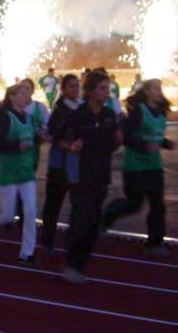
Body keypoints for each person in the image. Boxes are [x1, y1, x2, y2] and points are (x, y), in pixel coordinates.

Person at [59, 71, 122, 283]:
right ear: (91, 91)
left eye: (108, 88)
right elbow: (59, 137)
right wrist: (71, 145)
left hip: (101, 176)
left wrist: (118, 139)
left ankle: (78, 260)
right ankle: (73, 264)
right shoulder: (77, 116)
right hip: (80, 176)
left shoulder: (109, 115)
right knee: (84, 220)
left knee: (92, 222)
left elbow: (111, 145)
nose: (107, 92)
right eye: (103, 88)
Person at [102, 79, 175, 257]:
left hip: (154, 166)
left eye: (160, 88)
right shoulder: (138, 112)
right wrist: (144, 145)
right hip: (135, 167)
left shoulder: (162, 112)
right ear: (147, 92)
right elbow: (125, 137)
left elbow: (155, 137)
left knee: (158, 205)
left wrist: (166, 143)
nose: (159, 91)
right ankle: (107, 216)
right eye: (155, 89)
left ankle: (154, 243)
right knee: (134, 204)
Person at [0, 84, 37, 264]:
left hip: (27, 172)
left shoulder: (29, 117)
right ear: (12, 97)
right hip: (9, 172)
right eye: (21, 92)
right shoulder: (5, 117)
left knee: (30, 211)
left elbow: (32, 140)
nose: (26, 95)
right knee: (7, 216)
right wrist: (15, 146)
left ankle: (27, 252)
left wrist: (43, 138)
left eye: (27, 92)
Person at [41, 74, 81, 252]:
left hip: (77, 165)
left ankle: (73, 238)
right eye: (72, 86)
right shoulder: (60, 111)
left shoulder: (82, 108)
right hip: (59, 165)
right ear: (64, 90)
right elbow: (52, 135)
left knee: (79, 204)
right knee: (53, 204)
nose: (76, 89)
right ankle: (47, 241)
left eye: (77, 86)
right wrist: (67, 144)